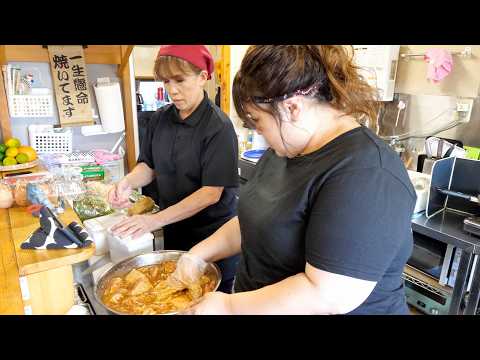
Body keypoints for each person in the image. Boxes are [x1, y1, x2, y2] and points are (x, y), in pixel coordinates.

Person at [175, 45, 416, 314]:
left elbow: (327, 295)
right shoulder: (287, 149)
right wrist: (198, 255)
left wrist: (229, 306)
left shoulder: (368, 174)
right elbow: (254, 221)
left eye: (257, 120)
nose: (259, 132)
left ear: (292, 108)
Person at [109, 45, 240, 293]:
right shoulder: (160, 118)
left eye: (180, 80)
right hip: (174, 231)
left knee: (206, 300)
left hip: (212, 239)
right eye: (166, 81)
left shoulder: (218, 128)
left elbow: (210, 193)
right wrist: (127, 182)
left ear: (203, 77)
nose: (172, 90)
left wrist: (153, 220)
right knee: (171, 297)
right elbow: (149, 166)